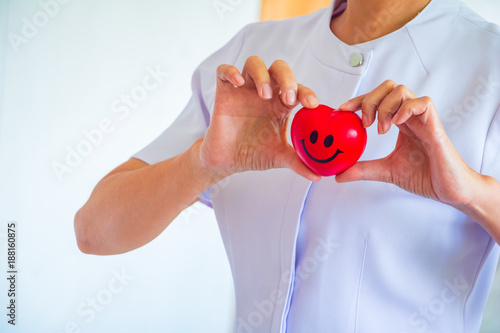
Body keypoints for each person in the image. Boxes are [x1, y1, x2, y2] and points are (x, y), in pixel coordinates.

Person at [75, 0, 500, 331]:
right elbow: (93, 232)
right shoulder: (249, 57)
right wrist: (204, 164)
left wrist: (472, 193)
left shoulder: (490, 62)